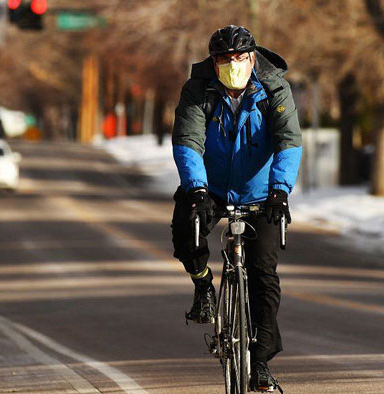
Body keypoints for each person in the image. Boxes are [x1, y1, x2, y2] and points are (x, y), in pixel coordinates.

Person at [171, 25, 302, 392]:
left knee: (264, 275)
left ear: (252, 57)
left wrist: (280, 190)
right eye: (224, 59)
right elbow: (187, 141)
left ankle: (260, 363)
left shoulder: (273, 88)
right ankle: (203, 288)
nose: (232, 65)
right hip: (210, 186)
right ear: (213, 63)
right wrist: (195, 189)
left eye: (239, 58)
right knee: (186, 226)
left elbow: (289, 141)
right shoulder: (197, 90)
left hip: (261, 193)